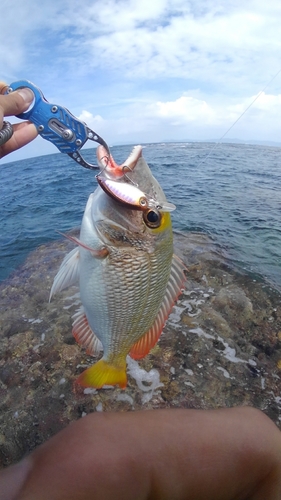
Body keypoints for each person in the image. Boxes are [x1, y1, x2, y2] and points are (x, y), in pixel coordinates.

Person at [1, 85, 281, 500]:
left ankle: (111, 360)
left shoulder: (106, 239)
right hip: (119, 304)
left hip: (112, 307)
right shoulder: (111, 238)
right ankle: (113, 360)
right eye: (151, 214)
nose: (148, 208)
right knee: (264, 438)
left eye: (150, 215)